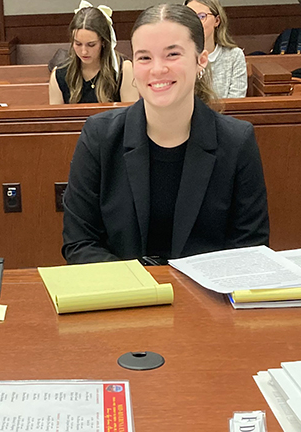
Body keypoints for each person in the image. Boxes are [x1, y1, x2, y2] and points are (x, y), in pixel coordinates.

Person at [61, 4, 268, 264]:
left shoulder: (237, 141)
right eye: (145, 57)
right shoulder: (99, 136)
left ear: (200, 60)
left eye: (172, 54)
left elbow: (249, 249)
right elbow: (80, 243)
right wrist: (143, 291)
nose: (157, 69)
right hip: (123, 298)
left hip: (206, 300)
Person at [49, 1, 138, 105]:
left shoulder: (123, 69)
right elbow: (56, 118)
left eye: (91, 45)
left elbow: (131, 115)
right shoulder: (60, 74)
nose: (84, 51)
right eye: (78, 44)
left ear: (103, 42)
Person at [185, 0, 247, 98]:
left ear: (217, 20)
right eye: (190, 17)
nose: (195, 23)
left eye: (201, 16)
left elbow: (236, 103)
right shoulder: (179, 56)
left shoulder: (234, 56)